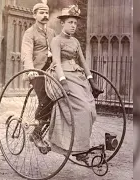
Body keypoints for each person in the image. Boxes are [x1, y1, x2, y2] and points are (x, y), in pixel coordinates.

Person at [45, 5, 103, 164]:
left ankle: (81, 146)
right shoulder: (56, 41)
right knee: (82, 109)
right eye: (70, 22)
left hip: (77, 76)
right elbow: (56, 62)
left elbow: (83, 62)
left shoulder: (76, 41)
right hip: (61, 75)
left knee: (90, 108)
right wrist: (63, 82)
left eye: (75, 23)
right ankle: (78, 149)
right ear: (62, 23)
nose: (73, 26)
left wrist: (92, 82)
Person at [21, 3, 56, 148]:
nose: (45, 15)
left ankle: (52, 134)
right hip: (37, 72)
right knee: (46, 100)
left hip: (51, 71)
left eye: (47, 13)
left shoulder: (52, 32)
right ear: (34, 15)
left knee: (58, 99)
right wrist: (30, 69)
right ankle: (36, 133)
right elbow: (26, 52)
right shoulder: (30, 32)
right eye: (41, 13)